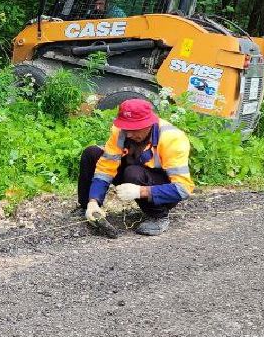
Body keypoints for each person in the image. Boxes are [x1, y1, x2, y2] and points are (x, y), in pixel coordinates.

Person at [78, 97, 194, 238]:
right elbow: (105, 168)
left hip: (159, 188)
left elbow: (183, 189)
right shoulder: (120, 132)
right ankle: (89, 209)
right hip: (132, 175)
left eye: (134, 129)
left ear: (149, 124)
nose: (129, 134)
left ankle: (158, 217)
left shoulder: (172, 138)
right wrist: (93, 201)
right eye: (126, 128)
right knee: (92, 153)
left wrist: (141, 191)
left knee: (133, 172)